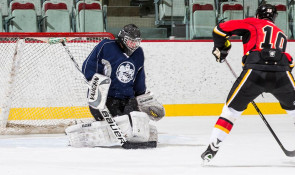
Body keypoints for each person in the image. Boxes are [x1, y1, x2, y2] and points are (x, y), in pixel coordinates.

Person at [201, 4, 295, 162]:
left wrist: (222, 48)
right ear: (274, 18)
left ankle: (212, 148)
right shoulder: (281, 33)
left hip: (255, 73)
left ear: (258, 15)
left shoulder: (253, 22)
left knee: (230, 111)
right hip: (282, 74)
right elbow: (290, 63)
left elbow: (219, 30)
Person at [65, 24, 165, 149]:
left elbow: (139, 77)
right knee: (121, 122)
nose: (133, 45)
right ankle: (84, 126)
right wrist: (95, 83)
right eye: (130, 41)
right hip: (105, 98)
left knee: (135, 122)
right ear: (122, 39)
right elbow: (88, 67)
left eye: (136, 42)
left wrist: (141, 96)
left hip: (127, 98)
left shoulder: (138, 53)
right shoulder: (106, 46)